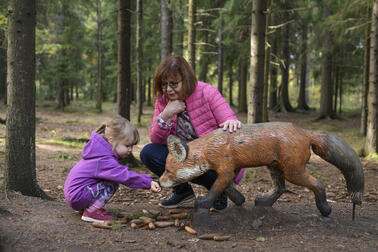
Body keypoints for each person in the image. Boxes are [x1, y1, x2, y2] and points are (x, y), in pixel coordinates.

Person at [140, 55, 244, 211]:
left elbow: (228, 119)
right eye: (164, 84)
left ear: (186, 80)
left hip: (212, 161)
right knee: (149, 152)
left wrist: (231, 122)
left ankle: (219, 192)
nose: (168, 89)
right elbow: (156, 140)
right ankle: (183, 193)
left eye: (174, 84)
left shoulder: (206, 92)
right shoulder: (162, 100)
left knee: (204, 162)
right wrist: (166, 114)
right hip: (186, 156)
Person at [64, 116, 161, 223]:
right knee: (113, 182)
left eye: (132, 146)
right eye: (127, 145)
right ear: (112, 140)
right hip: (78, 196)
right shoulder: (104, 159)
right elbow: (125, 176)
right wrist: (147, 182)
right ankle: (92, 212)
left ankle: (88, 207)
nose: (130, 150)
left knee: (110, 179)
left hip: (76, 195)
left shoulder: (99, 152)